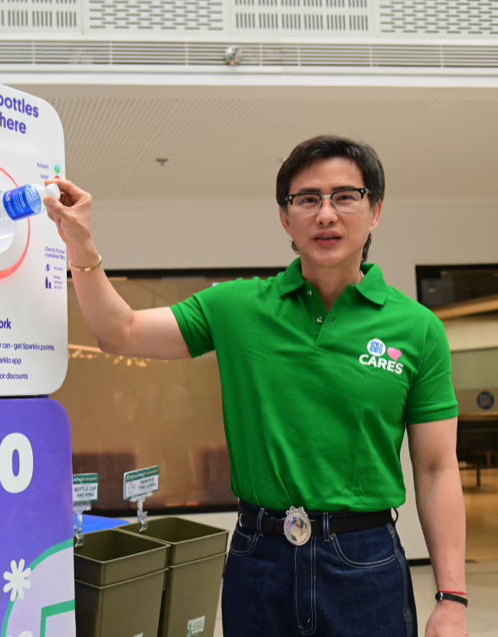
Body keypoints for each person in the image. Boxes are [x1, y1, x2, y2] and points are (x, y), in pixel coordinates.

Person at [44, 135, 468, 637]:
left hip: (365, 562)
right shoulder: (238, 307)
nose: (325, 214)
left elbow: (438, 468)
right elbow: (121, 331)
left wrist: (452, 596)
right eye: (307, 199)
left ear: (374, 210)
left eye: (344, 196)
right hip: (258, 557)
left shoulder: (417, 328)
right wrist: (82, 246)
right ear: (286, 218)